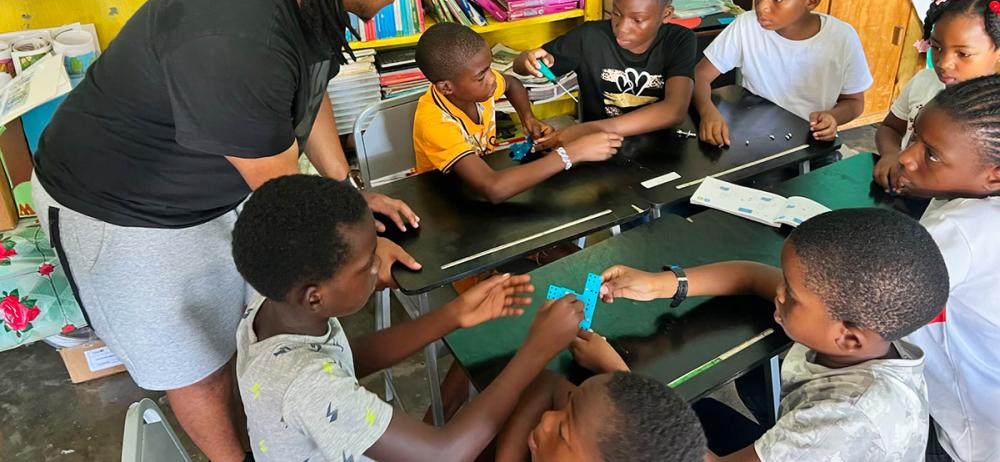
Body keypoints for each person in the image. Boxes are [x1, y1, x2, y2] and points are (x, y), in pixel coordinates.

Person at [30, 0, 431, 462]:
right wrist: (360, 248)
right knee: (199, 363)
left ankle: (264, 429)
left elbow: (308, 90)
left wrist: (346, 190)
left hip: (214, 185)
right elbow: (282, 203)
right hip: (125, 213)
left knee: (250, 331)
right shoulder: (238, 40)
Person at [232, 175, 585, 462]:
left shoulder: (276, 304)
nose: (379, 265)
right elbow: (444, 453)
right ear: (314, 297)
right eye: (367, 263)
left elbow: (343, 357)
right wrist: (537, 350)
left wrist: (453, 315)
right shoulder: (308, 389)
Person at [595, 207, 949, 461]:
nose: (778, 292)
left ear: (849, 338)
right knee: (696, 410)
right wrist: (662, 284)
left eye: (790, 295)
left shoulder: (845, 419)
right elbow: (752, 276)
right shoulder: (867, 330)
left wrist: (617, 377)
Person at [894, 74, 1000, 461]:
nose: (907, 156)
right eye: (916, 138)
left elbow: (860, 299)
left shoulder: (961, 229)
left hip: (961, 433)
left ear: (995, 175)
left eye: (931, 154)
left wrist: (750, 277)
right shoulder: (972, 204)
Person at [512, 0, 696, 148]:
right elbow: (520, 66)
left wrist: (586, 129)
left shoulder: (680, 40)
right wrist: (528, 59)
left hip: (660, 150)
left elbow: (674, 110)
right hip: (597, 152)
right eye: (616, 13)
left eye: (637, 20)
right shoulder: (589, 37)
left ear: (666, 14)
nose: (622, 27)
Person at [412, 22, 623, 203]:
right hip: (447, 201)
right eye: (481, 76)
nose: (492, 78)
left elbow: (512, 84)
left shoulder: (477, 86)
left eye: (489, 68)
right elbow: (492, 189)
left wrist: (528, 118)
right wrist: (571, 153)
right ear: (447, 88)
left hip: (476, 183)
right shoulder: (435, 123)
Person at [693, 0, 872, 146]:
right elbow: (700, 76)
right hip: (750, 140)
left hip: (809, 141)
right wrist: (708, 112)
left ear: (811, 1)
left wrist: (833, 118)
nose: (761, 7)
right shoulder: (747, 25)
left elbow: (854, 102)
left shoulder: (841, 38)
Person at [873, 0, 1000, 192]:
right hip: (903, 193)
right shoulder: (924, 81)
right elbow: (890, 128)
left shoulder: (993, 114)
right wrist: (891, 154)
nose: (943, 63)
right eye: (937, 47)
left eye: (963, 54)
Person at [494, 370, 706, 462]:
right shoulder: (593, 422)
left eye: (561, 432)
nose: (548, 417)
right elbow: (547, 382)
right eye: (567, 404)